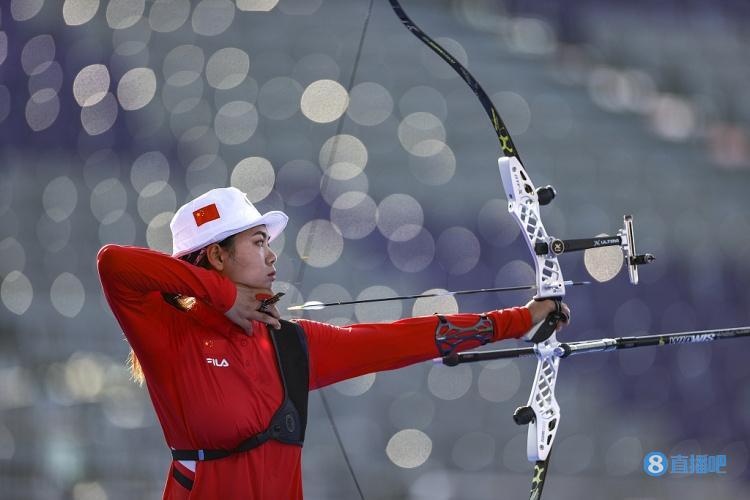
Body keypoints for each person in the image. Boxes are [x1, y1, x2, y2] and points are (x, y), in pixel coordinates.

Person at [97, 186, 570, 499]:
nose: (272, 254)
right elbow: (113, 264)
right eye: (258, 241)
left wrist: (520, 319)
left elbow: (400, 339)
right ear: (218, 256)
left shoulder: (287, 345)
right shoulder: (169, 333)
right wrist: (222, 297)